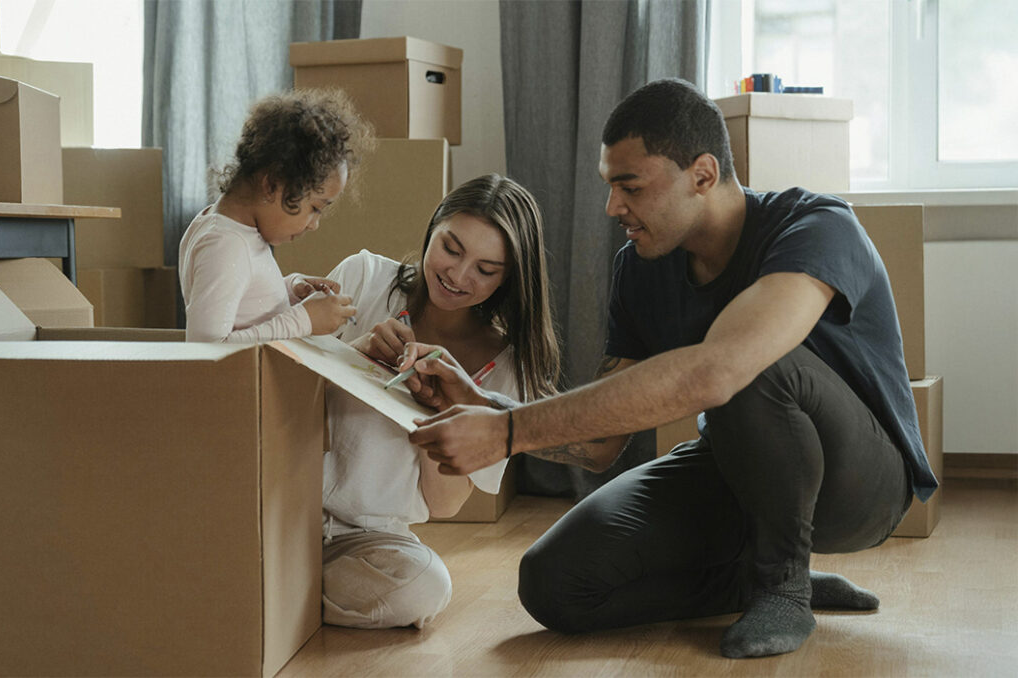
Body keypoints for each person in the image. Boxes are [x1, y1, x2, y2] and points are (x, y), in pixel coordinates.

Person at [407, 78, 938, 657]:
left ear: (702, 175)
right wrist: (494, 410)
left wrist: (508, 433)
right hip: (735, 472)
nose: (613, 207)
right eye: (610, 186)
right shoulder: (639, 268)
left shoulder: (817, 226)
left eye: (629, 186)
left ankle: (782, 587)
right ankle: (757, 579)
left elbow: (719, 371)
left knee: (747, 360)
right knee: (555, 584)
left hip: (862, 487)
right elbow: (604, 443)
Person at [319, 174, 560, 629]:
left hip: (370, 539)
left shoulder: (507, 367)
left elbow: (444, 504)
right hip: (283, 504)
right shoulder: (363, 277)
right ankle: (284, 586)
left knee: (425, 588)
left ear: (509, 278)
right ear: (434, 228)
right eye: (451, 247)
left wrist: (442, 409)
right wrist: (356, 354)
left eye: (486, 270)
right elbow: (276, 397)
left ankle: (279, 590)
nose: (457, 275)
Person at [180, 89, 373, 342]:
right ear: (272, 185)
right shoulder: (226, 246)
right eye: (315, 208)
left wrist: (292, 289)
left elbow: (244, 302)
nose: (314, 225)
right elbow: (207, 348)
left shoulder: (227, 229)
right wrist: (304, 320)